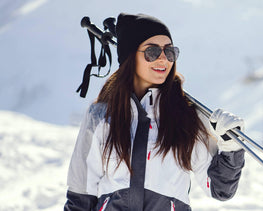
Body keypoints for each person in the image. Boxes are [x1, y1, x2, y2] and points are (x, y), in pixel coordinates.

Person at [64, 13, 245, 211]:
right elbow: (81, 195)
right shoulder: (101, 116)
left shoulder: (186, 117)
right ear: (130, 56)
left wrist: (231, 150)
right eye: (152, 51)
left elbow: (220, 189)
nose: (163, 59)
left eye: (170, 52)